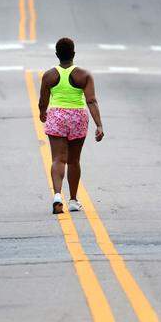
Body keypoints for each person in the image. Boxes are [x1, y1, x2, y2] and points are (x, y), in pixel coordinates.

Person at [38, 37, 104, 215]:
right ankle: (73, 200)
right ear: (74, 54)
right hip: (77, 117)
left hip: (57, 116)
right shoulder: (84, 75)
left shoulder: (49, 75)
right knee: (74, 160)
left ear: (57, 55)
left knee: (58, 159)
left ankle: (58, 196)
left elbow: (43, 101)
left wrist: (43, 114)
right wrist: (99, 125)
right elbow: (91, 100)